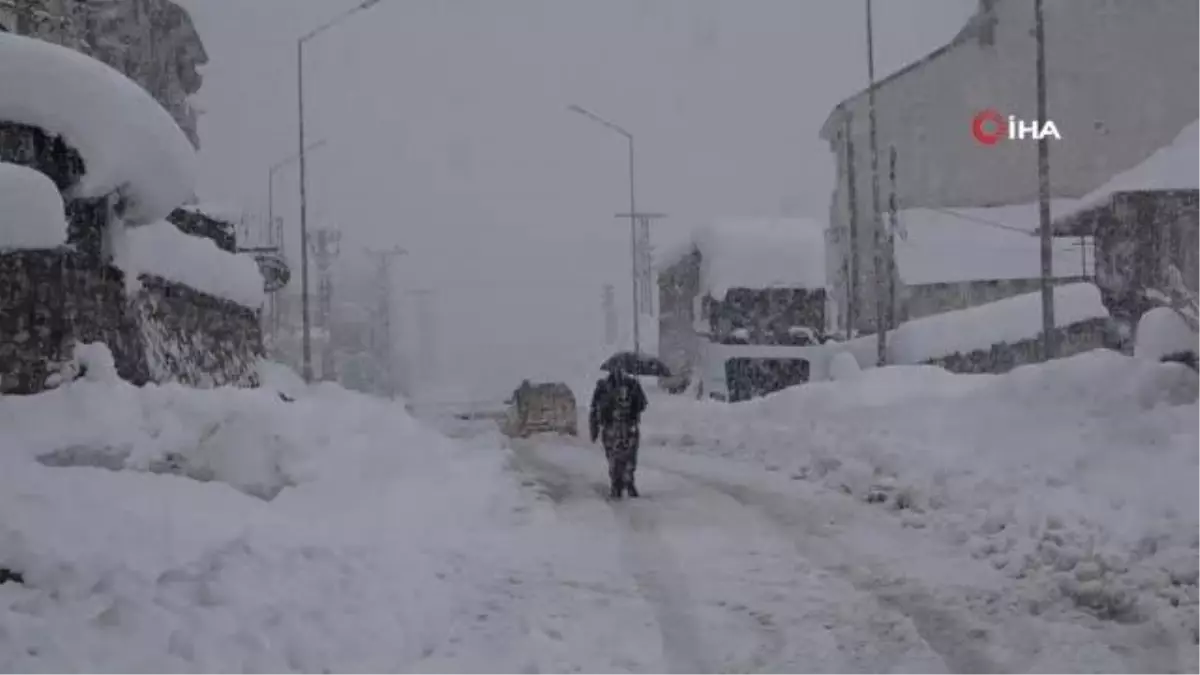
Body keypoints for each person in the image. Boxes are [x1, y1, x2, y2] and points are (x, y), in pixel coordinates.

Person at [589, 366, 648, 499]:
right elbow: (643, 405)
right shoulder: (632, 384)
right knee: (630, 455)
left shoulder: (603, 386)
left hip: (611, 428)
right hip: (629, 427)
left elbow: (594, 409)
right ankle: (628, 481)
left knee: (614, 456)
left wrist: (594, 428)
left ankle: (617, 484)